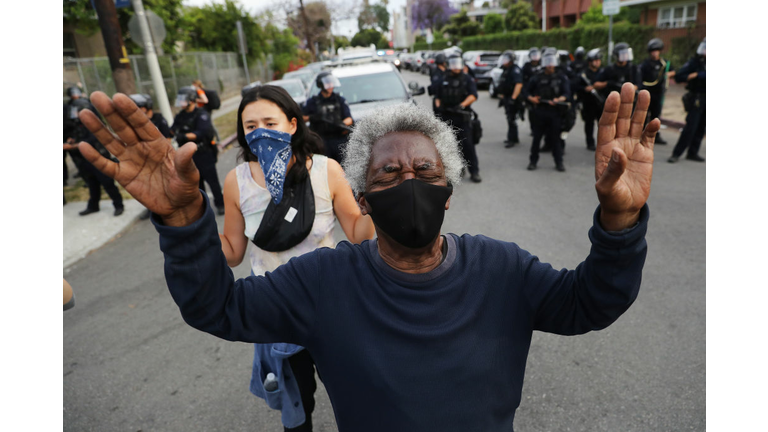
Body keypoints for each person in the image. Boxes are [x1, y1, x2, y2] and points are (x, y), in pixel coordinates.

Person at [76, 81, 656, 432]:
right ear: (364, 196)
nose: (409, 181)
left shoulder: (502, 269)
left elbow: (591, 302)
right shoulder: (322, 281)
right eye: (389, 172)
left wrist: (621, 219)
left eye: (425, 171)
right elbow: (216, 307)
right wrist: (182, 223)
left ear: (448, 194)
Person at [219, 84, 375, 431]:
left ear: (292, 124)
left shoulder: (326, 170)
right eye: (250, 125)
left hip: (333, 302)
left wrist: (378, 199)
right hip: (276, 312)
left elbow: (359, 234)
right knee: (297, 404)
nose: (260, 131)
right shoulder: (236, 182)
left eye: (270, 123)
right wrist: (187, 221)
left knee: (356, 396)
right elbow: (231, 253)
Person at [63, 98, 124, 216]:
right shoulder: (78, 124)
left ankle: (118, 205)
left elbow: (90, 140)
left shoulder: (94, 125)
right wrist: (73, 140)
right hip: (85, 160)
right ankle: (93, 206)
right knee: (92, 184)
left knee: (108, 184)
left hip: (100, 158)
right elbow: (79, 135)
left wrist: (72, 147)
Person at [171, 86, 225, 215]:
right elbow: (172, 129)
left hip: (203, 153)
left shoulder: (201, 114)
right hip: (189, 156)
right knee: (197, 185)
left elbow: (201, 132)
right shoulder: (180, 116)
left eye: (183, 100)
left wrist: (184, 135)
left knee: (212, 182)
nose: (181, 103)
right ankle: (204, 209)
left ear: (191, 100)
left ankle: (220, 204)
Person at [435, 54, 481, 183]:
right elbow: (437, 97)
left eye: (458, 63)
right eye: (453, 64)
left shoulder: (467, 79)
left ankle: (474, 172)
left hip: (462, 116)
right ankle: (457, 169)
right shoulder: (443, 78)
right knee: (451, 146)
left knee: (468, 145)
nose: (456, 67)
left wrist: (461, 105)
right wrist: (439, 109)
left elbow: (473, 95)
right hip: (446, 117)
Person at [524, 49, 571, 172]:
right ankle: (532, 161)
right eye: (547, 62)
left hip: (555, 112)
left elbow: (567, 93)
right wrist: (532, 99)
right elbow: (526, 92)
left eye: (552, 62)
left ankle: (559, 162)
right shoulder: (537, 77)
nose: (550, 65)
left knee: (556, 139)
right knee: (536, 138)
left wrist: (558, 99)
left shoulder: (561, 77)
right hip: (540, 111)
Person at [129, 93, 173, 220]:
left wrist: (161, 156)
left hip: (159, 156)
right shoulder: (137, 122)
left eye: (139, 107)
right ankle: (152, 208)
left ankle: (168, 206)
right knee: (148, 184)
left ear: (147, 106)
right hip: (144, 158)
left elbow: (167, 139)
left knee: (164, 182)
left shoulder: (159, 119)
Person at [302, 71, 353, 164]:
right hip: (321, 141)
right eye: (327, 83)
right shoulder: (312, 101)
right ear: (321, 84)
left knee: (344, 166)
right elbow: (301, 117)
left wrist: (340, 123)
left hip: (339, 139)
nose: (330, 85)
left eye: (331, 82)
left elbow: (349, 119)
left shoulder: (339, 100)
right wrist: (313, 117)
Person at [668, 38, 706, 164]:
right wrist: (694, 75)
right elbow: (679, 77)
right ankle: (676, 153)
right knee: (691, 127)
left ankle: (692, 153)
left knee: (701, 128)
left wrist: (700, 75)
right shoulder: (695, 62)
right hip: (697, 98)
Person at [639, 38, 676, 145]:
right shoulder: (645, 64)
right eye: (653, 51)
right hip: (647, 91)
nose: (654, 53)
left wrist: (669, 74)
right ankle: (641, 134)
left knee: (656, 115)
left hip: (658, 93)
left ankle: (655, 135)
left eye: (656, 50)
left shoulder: (664, 63)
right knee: (644, 114)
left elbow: (673, 71)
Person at [572, 48, 605, 151]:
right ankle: (590, 143)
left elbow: (609, 83)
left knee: (603, 124)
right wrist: (585, 89)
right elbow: (575, 86)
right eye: (595, 60)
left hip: (601, 102)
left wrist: (600, 85)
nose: (597, 62)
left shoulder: (603, 72)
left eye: (599, 60)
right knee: (589, 123)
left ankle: (603, 142)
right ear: (590, 62)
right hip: (588, 103)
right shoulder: (584, 74)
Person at [497, 50, 523, 148]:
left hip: (513, 99)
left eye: (506, 59)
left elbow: (518, 84)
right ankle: (513, 137)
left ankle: (512, 139)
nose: (504, 61)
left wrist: (513, 98)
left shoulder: (515, 70)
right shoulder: (506, 69)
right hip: (507, 97)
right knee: (509, 118)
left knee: (512, 119)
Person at [522, 47, 542, 133]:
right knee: (532, 112)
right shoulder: (527, 66)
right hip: (530, 91)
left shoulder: (542, 65)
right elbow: (522, 80)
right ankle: (533, 129)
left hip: (540, 91)